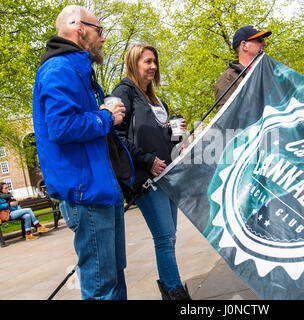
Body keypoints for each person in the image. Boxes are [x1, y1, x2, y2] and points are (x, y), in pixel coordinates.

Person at [32, 5, 135, 300]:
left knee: (113, 277)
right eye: (98, 30)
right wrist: (105, 116)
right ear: (79, 27)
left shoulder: (76, 68)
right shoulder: (59, 69)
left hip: (100, 187)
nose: (102, 38)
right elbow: (62, 128)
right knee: (102, 285)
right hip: (86, 192)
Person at [111, 44, 191, 300]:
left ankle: (170, 287)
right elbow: (116, 135)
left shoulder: (155, 98)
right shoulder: (124, 92)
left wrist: (174, 134)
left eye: (155, 61)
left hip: (167, 176)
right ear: (134, 63)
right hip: (147, 179)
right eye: (147, 61)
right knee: (165, 237)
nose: (153, 66)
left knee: (170, 237)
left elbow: (156, 136)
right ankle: (174, 291)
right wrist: (147, 161)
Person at [214, 25, 272, 111]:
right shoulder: (228, 78)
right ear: (244, 45)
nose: (265, 43)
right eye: (260, 40)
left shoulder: (270, 72)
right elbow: (228, 118)